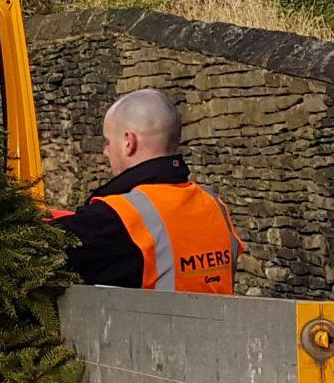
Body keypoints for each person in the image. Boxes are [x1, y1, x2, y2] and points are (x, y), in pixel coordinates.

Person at [50, 88, 242, 294]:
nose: (105, 152)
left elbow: (39, 243)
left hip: (154, 326)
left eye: (107, 142)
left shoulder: (122, 217)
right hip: (220, 325)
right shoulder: (215, 204)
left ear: (128, 142)